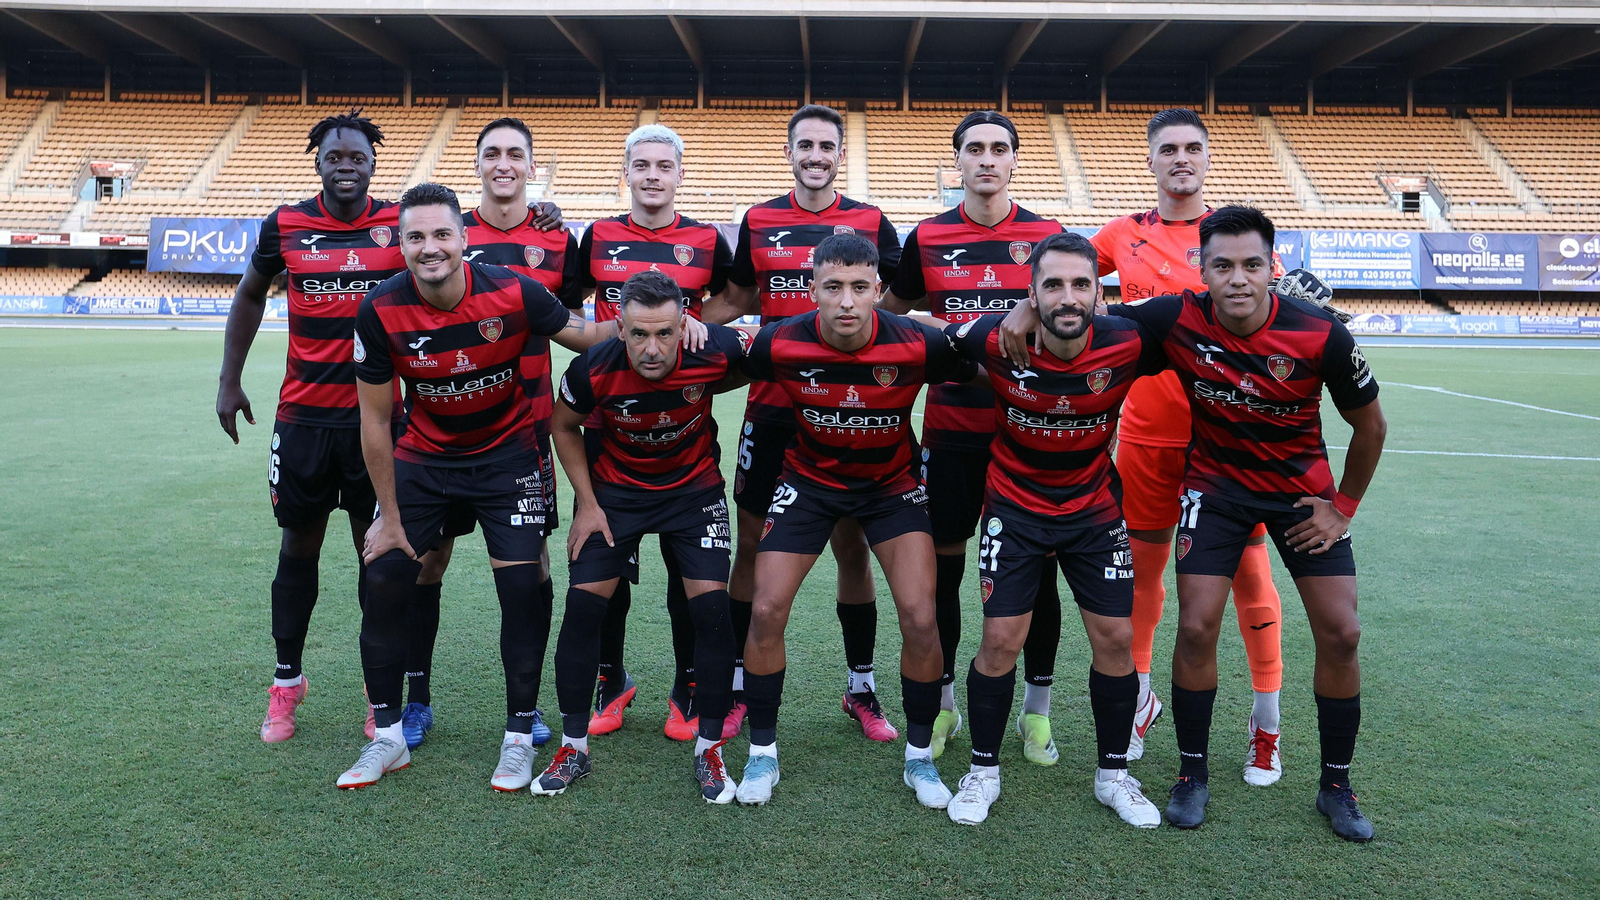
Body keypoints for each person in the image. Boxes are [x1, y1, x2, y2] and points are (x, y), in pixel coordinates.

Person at [1012, 206, 1387, 840]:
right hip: (1215, 490)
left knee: (1343, 632)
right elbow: (1088, 320)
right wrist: (1025, 310)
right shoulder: (1177, 318)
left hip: (1301, 496)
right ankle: (1192, 774)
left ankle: (1336, 786)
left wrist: (1342, 507)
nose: (1238, 278)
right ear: (1203, 271)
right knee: (1194, 627)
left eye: (1251, 265)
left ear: (1271, 268)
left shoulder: (1319, 332)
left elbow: (1371, 426)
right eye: (1222, 266)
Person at [337, 183, 694, 790]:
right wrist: (389, 517)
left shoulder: (513, 290)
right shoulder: (378, 309)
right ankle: (388, 738)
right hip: (425, 459)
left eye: (441, 234)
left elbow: (585, 336)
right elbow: (374, 420)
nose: (430, 247)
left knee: (523, 588)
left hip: (508, 458)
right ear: (401, 245)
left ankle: (518, 737)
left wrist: (668, 326)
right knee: (384, 577)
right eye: (416, 237)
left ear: (464, 239)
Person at [1012, 108, 1292, 781]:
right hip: (1145, 435)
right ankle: (1137, 702)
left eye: (1192, 148)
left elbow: (1271, 313)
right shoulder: (1122, 234)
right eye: (1168, 149)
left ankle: (1266, 723)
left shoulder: (1233, 236)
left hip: (1228, 439)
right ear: (1151, 161)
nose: (1181, 159)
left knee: (1250, 578)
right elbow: (1066, 271)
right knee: (1141, 575)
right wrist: (1026, 303)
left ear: (1207, 158)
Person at [734, 233, 977, 809]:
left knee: (921, 616)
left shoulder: (918, 341)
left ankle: (919, 758)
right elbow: (710, 359)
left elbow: (986, 359)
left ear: (878, 290)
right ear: (811, 288)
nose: (846, 300)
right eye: (834, 287)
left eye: (860, 287)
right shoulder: (779, 340)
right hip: (808, 484)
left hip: (891, 489)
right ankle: (762, 752)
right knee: (765, 609)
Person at [941, 233, 1163, 828]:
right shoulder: (995, 338)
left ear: (1099, 293)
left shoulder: (1129, 339)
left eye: (1081, 284)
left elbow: (1205, 314)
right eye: (1053, 285)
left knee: (1116, 638)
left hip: (1093, 512)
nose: (1069, 297)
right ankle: (983, 772)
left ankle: (1114, 776)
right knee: (1000, 641)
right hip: (1015, 509)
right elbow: (923, 332)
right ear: (1032, 293)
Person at [701, 104, 904, 742]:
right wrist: (676, 327)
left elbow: (897, 303)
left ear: (841, 154)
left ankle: (861, 687)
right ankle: (740, 684)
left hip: (851, 409)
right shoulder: (758, 220)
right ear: (789, 153)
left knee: (852, 546)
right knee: (752, 545)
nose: (816, 155)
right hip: (772, 408)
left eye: (826, 146)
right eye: (805, 145)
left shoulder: (872, 221)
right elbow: (735, 299)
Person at [879, 111, 1067, 763]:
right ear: (956, 161)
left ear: (1014, 160)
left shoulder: (1047, 236)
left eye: (999, 149)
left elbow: (1085, 309)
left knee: (1039, 573)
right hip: (952, 432)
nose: (987, 159)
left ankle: (1036, 714)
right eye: (975, 149)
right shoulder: (928, 236)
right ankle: (946, 705)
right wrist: (944, 327)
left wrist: (1030, 306)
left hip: (1032, 432)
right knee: (944, 573)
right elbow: (890, 315)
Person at [216, 108, 401, 744]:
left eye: (357, 158)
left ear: (373, 164)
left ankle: (380, 695)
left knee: (377, 555)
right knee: (299, 547)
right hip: (303, 420)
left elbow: (461, 251)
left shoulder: (399, 223)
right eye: (334, 157)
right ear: (317, 162)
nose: (346, 166)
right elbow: (250, 292)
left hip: (378, 423)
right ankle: (286, 683)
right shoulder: (286, 224)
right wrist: (229, 379)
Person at [401, 116, 579, 751]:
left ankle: (527, 705)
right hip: (440, 436)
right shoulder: (447, 232)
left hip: (526, 431)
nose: (503, 164)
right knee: (428, 561)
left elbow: (576, 318)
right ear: (476, 165)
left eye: (515, 154)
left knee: (530, 564)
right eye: (492, 154)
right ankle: (416, 698)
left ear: (531, 165)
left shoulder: (557, 238)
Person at [538, 271, 748, 802]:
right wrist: (587, 504)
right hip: (616, 496)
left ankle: (709, 750)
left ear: (684, 326)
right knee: (583, 608)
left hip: (693, 494)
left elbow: (773, 352)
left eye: (664, 333)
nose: (651, 349)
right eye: (638, 334)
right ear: (620, 329)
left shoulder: (715, 350)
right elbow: (562, 425)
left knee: (712, 611)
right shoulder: (592, 368)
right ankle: (573, 748)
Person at [577, 124, 735, 742]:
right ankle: (609, 678)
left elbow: (737, 297)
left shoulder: (705, 239)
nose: (651, 175)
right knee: (605, 567)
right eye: (640, 165)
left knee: (685, 566)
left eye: (663, 166)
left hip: (681, 427)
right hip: (606, 425)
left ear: (679, 174)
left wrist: (694, 323)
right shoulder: (597, 235)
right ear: (626, 172)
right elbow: (568, 301)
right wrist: (606, 345)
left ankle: (687, 683)